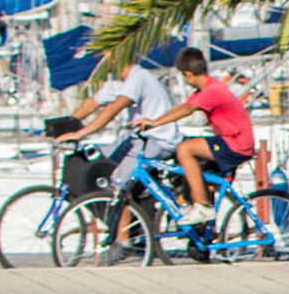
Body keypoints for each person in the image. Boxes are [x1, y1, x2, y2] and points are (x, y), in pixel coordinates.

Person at [133, 47, 254, 226]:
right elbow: (180, 108)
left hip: (236, 144)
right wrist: (153, 121)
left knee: (185, 148)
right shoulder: (205, 90)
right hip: (231, 142)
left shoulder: (212, 90)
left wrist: (155, 124)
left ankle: (201, 207)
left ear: (188, 74)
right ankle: (205, 236)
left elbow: (187, 110)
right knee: (205, 185)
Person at [53, 61, 182, 188]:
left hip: (157, 139)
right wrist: (65, 127)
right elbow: (92, 104)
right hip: (138, 139)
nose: (101, 61)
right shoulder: (117, 80)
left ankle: (126, 206)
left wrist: (79, 134)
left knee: (119, 183)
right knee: (101, 161)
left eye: (106, 56)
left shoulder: (138, 76)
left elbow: (114, 108)